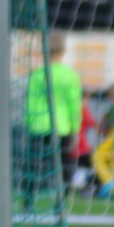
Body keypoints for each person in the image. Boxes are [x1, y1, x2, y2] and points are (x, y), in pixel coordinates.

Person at [23, 31, 82, 212]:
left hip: (38, 127)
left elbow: (30, 102)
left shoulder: (36, 74)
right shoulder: (70, 75)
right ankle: (60, 204)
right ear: (63, 52)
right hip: (62, 127)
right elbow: (74, 104)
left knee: (32, 167)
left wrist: (29, 124)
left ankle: (28, 203)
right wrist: (75, 128)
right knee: (63, 167)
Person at [70, 91, 97, 193]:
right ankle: (89, 187)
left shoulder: (74, 110)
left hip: (75, 144)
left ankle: (84, 185)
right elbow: (92, 123)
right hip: (80, 146)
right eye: (86, 99)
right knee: (90, 166)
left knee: (83, 167)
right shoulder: (82, 110)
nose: (88, 102)